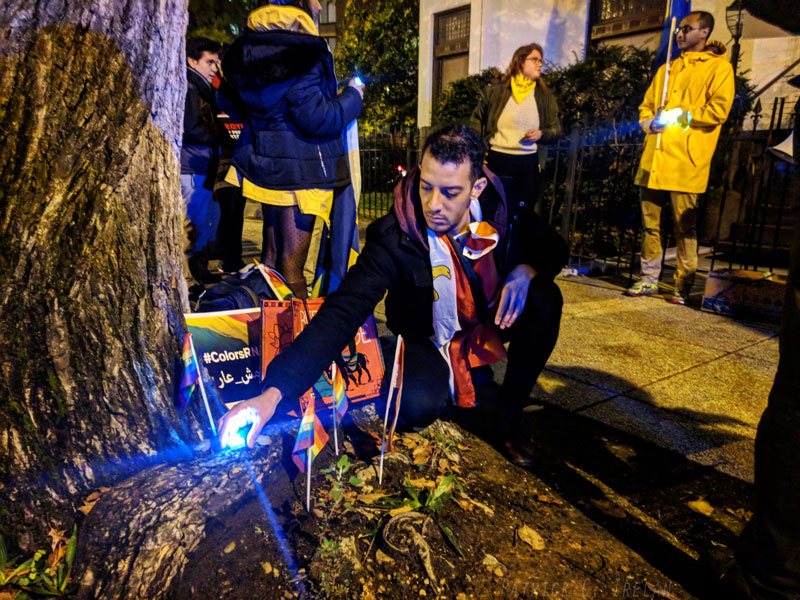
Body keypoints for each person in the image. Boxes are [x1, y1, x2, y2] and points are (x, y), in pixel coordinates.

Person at [219, 124, 569, 464]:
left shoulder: (504, 206)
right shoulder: (394, 233)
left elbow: (554, 248)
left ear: (476, 188)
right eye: (426, 186)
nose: (433, 204)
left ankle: (509, 413)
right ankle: (420, 369)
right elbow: (342, 311)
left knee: (545, 299)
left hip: (489, 319)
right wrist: (272, 394)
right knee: (417, 407)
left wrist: (527, 270)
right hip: (426, 338)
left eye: (450, 192)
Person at [218, 0, 363, 298]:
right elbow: (319, 119)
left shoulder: (246, 53)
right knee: (293, 267)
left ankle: (270, 332)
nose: (321, 5)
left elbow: (228, 102)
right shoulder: (303, 53)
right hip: (303, 172)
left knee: (270, 260)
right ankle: (297, 339)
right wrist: (353, 95)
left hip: (265, 168)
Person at [625, 11, 734, 304]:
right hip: (654, 159)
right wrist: (650, 123)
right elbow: (645, 108)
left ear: (704, 32)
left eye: (687, 29)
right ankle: (648, 279)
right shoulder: (667, 70)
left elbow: (718, 111)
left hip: (686, 160)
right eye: (679, 29)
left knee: (684, 226)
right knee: (651, 225)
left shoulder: (718, 69)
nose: (680, 34)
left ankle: (682, 286)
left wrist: (682, 115)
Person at [470, 42, 561, 219]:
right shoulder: (496, 93)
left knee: (523, 214)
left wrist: (541, 134)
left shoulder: (544, 97)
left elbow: (556, 130)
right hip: (497, 161)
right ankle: (495, 245)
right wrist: (480, 152)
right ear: (520, 62)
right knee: (492, 211)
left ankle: (517, 246)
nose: (540, 64)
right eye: (534, 59)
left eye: (541, 60)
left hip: (528, 164)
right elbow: (476, 120)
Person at [182, 36, 223, 287]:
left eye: (217, 63)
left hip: (200, 168)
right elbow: (190, 129)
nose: (215, 68)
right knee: (190, 228)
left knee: (204, 223)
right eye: (209, 62)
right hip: (191, 167)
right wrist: (222, 134)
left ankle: (196, 274)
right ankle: (187, 282)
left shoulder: (202, 89)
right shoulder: (189, 87)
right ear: (192, 61)